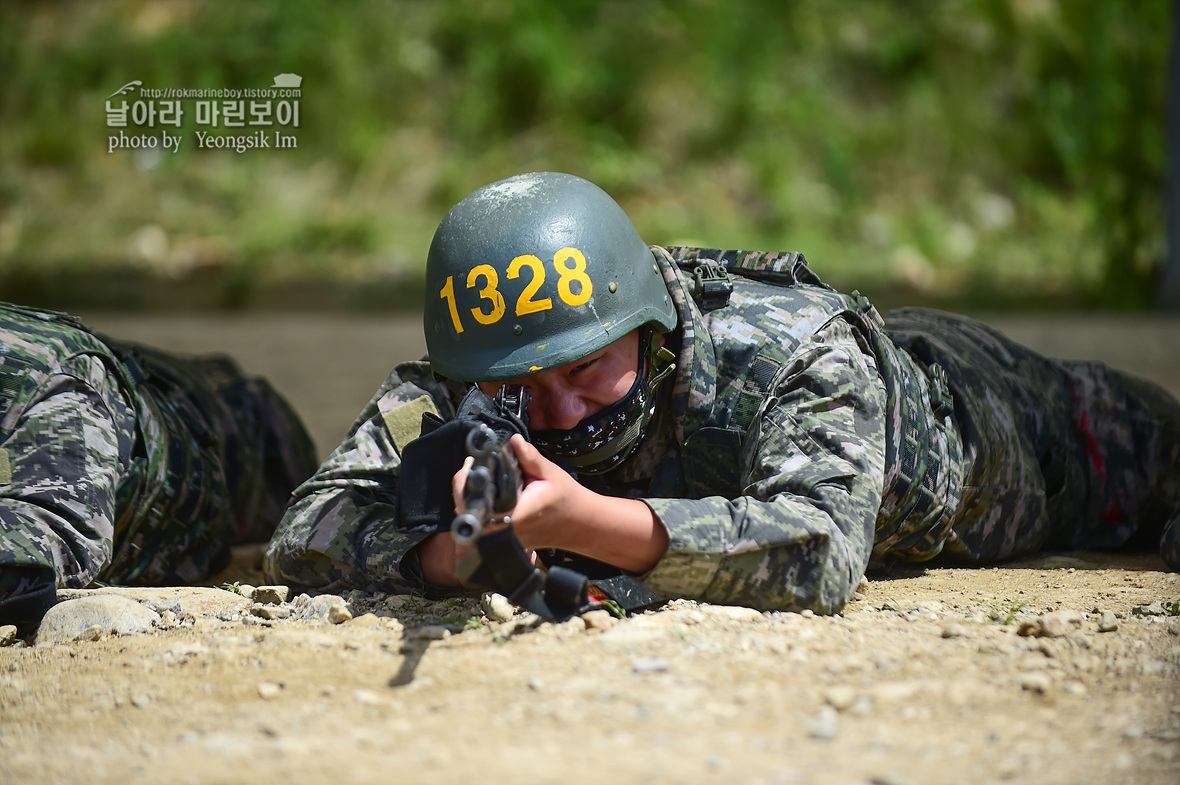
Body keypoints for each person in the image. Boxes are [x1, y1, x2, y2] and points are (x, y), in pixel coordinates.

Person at [264, 172, 1180, 614]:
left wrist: (581, 523)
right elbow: (308, 528)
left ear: (649, 330)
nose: (558, 412)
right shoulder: (459, 384)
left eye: (584, 371)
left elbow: (817, 552)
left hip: (1017, 428)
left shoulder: (794, 353)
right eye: (514, 388)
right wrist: (454, 556)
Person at [0, 302, 318, 631]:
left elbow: (28, 567)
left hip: (225, 440)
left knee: (311, 515)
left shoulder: (52, 389)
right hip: (134, 385)